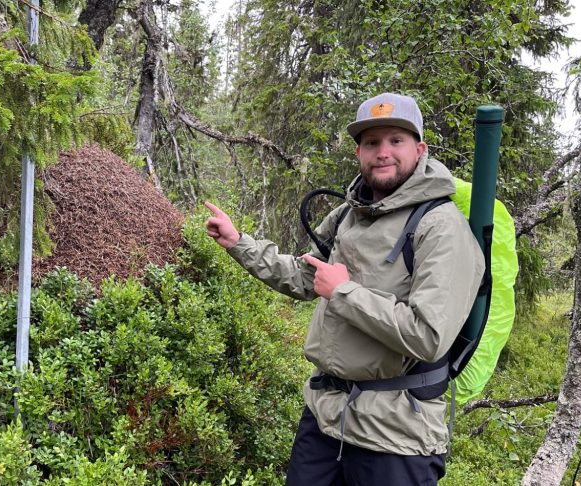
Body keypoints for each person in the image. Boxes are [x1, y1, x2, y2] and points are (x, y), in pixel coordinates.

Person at [205, 92, 484, 485]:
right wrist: (239, 243)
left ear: (420, 150)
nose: (383, 152)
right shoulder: (348, 214)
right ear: (358, 152)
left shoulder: (441, 226)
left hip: (396, 437)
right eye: (372, 142)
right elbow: (305, 277)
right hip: (325, 420)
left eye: (396, 140)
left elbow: (428, 336)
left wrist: (343, 292)